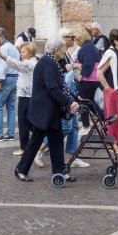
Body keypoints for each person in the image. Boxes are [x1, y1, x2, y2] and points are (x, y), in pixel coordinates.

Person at [15, 36, 79, 182]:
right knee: (36, 141)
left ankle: (59, 172)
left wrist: (74, 97)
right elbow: (53, 88)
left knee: (56, 142)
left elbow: (60, 85)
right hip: (43, 111)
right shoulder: (49, 63)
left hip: (50, 111)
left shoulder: (50, 61)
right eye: (63, 49)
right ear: (56, 50)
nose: (64, 51)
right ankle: (20, 169)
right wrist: (69, 102)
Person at [35, 27, 90, 168]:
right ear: (62, 39)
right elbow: (57, 81)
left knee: (74, 128)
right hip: (63, 96)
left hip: (70, 91)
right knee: (65, 127)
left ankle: (72, 156)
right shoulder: (56, 58)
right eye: (70, 37)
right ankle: (40, 150)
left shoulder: (66, 54)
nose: (73, 39)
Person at [0, 42, 38, 155]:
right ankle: (38, 142)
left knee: (24, 123)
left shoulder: (29, 63)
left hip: (26, 96)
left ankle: (25, 147)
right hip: (27, 95)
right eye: (21, 52)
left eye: (23, 52)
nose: (21, 54)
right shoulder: (33, 61)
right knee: (29, 122)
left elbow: (16, 65)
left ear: (30, 53)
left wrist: (2, 55)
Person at [76, 28, 105, 136]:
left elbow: (87, 65)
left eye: (78, 40)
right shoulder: (91, 46)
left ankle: (86, 125)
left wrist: (76, 66)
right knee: (90, 101)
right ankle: (102, 118)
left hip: (88, 79)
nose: (77, 42)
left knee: (83, 101)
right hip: (94, 79)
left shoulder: (86, 48)